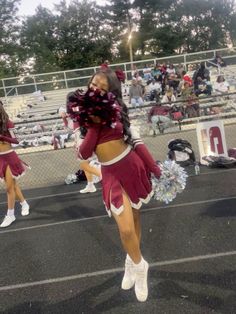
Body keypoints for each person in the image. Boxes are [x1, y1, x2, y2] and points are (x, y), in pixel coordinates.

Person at [74, 69, 161, 302]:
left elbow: (136, 141)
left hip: (131, 167)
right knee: (124, 229)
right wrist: (93, 125)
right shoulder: (83, 114)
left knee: (134, 220)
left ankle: (130, 261)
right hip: (110, 173)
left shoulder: (118, 110)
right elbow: (83, 153)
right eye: (94, 84)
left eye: (102, 88)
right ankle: (141, 265)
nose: (96, 90)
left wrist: (155, 169)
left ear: (111, 92)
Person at [0, 101, 30, 227]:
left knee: (8, 188)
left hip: (9, 157)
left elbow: (16, 141)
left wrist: (2, 137)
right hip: (0, 158)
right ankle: (24, 203)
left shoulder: (8, 123)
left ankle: (10, 215)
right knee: (12, 185)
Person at [66, 93, 101, 193]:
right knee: (84, 163)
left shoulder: (78, 108)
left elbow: (79, 120)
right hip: (79, 136)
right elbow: (70, 126)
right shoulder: (75, 110)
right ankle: (90, 185)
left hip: (82, 137)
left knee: (84, 164)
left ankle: (104, 176)